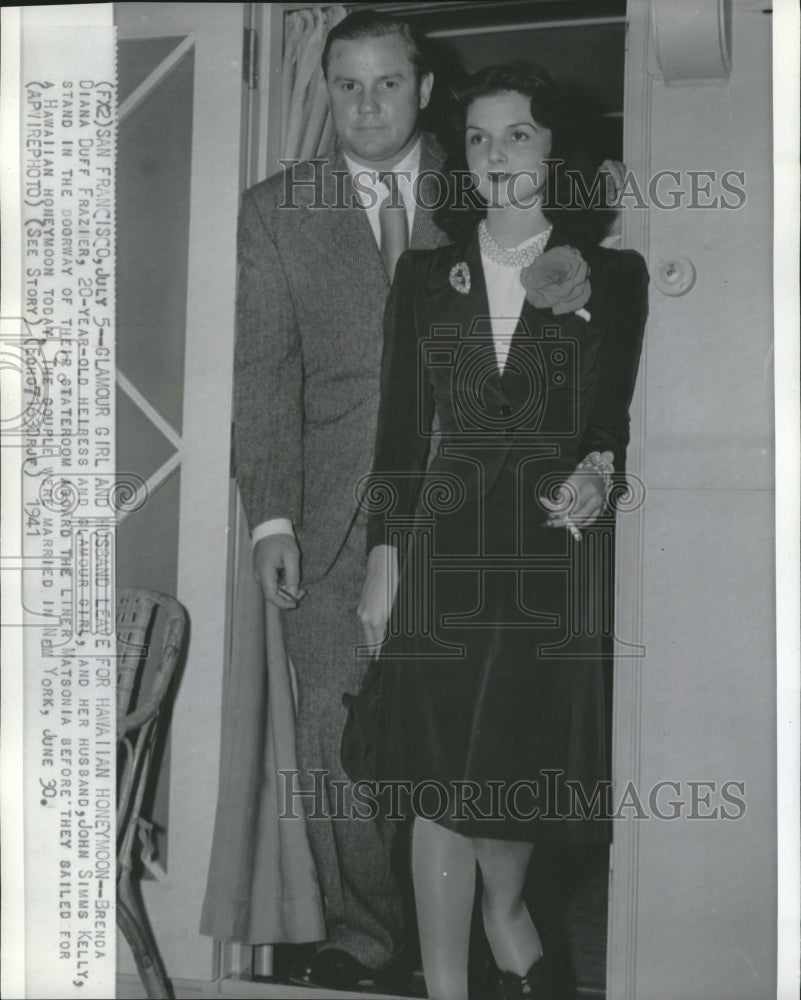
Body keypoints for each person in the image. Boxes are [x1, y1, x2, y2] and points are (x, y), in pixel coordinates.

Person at [358, 63, 648, 1000]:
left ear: (554, 148)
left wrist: (596, 477)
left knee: (502, 805)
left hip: (541, 558)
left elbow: (607, 423)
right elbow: (400, 434)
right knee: (436, 784)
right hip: (442, 547)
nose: (494, 157)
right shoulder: (420, 276)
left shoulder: (611, 275)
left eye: (515, 135)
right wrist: (382, 558)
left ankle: (509, 929)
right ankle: (447, 988)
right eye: (477, 138)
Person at [233, 10, 449, 992]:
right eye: (348, 86)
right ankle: (369, 936)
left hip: (463, 517)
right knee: (336, 738)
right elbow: (264, 374)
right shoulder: (277, 209)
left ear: (424, 90)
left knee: (458, 734)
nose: (368, 106)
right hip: (327, 526)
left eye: (388, 84)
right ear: (326, 91)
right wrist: (271, 518)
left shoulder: (493, 180)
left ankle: (466, 932)